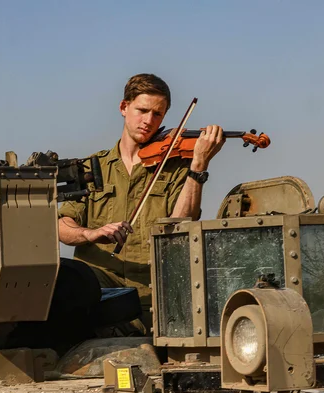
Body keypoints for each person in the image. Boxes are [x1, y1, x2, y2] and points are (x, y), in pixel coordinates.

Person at [58, 73, 225, 330]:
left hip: (153, 297)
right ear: (124, 107)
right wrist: (92, 234)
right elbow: (62, 226)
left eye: (157, 115)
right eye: (142, 110)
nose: (149, 121)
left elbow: (183, 223)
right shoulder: (91, 167)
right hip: (99, 297)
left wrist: (198, 166)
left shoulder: (176, 166)